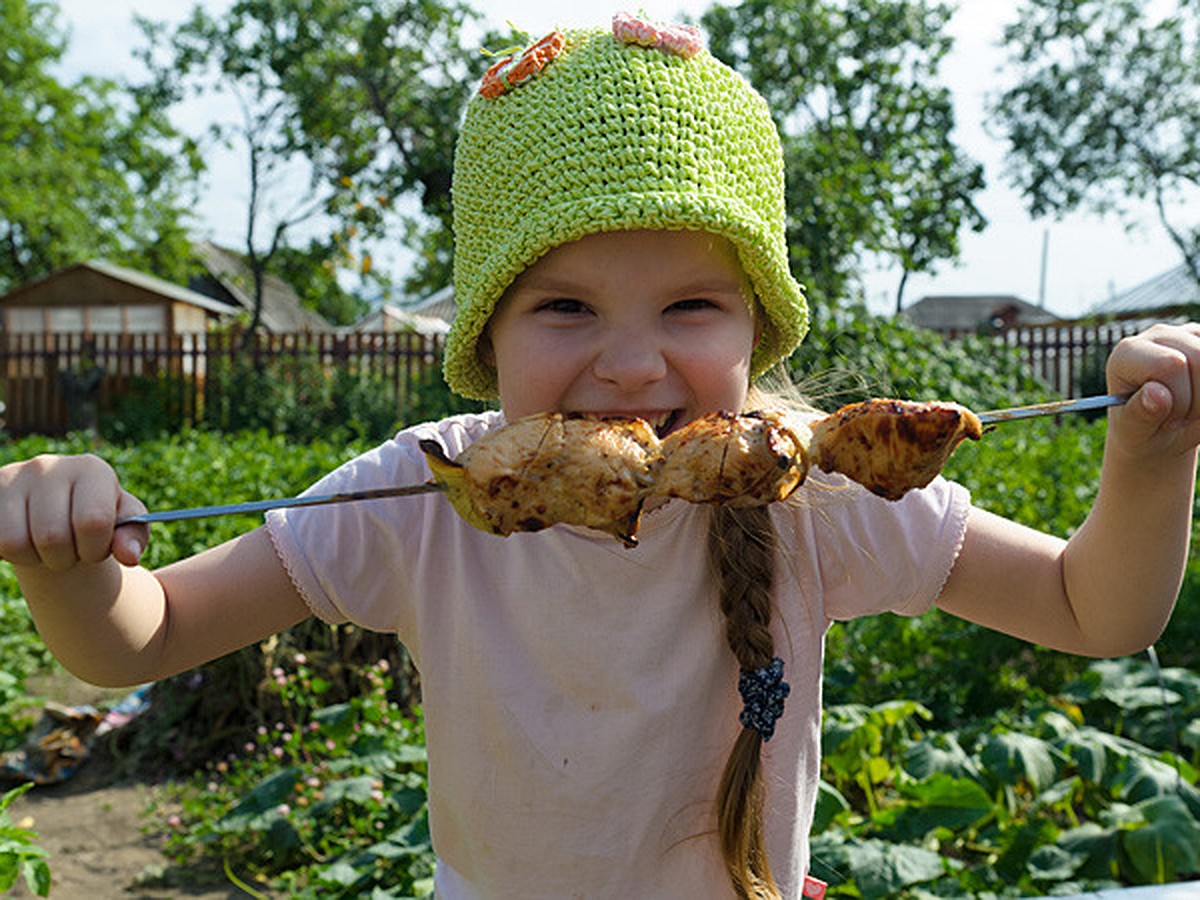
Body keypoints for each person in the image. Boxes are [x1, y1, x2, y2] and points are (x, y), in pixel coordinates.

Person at [1, 14, 1197, 899]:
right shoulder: (423, 494)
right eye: (565, 309)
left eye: (689, 307)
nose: (630, 366)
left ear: (757, 329)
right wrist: (70, 558)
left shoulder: (814, 497)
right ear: (488, 337)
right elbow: (139, 638)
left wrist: (1150, 455)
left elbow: (1094, 610)